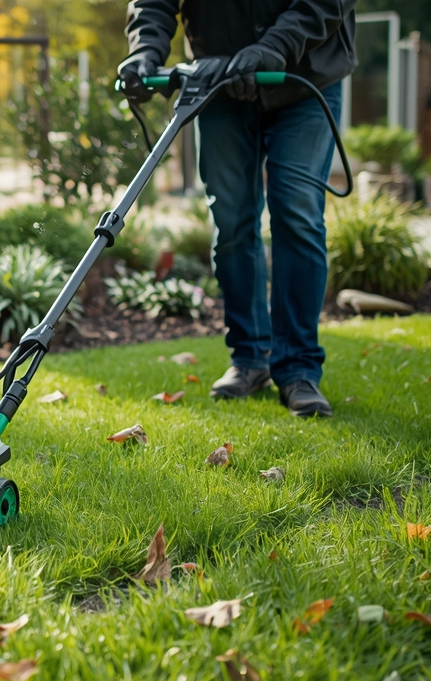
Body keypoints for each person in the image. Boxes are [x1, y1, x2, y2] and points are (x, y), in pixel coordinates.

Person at [118, 0, 356, 417]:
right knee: (230, 222)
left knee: (297, 214)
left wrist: (276, 44)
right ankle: (249, 359)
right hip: (220, 80)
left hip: (304, 74)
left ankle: (298, 369)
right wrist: (146, 50)